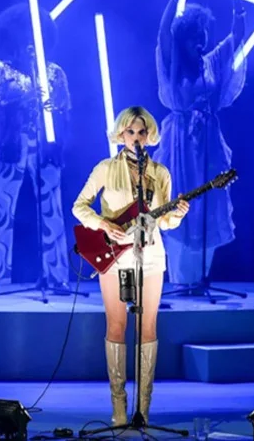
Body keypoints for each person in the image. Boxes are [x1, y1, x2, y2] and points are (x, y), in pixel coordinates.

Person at [72, 106, 189, 425]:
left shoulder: (160, 173)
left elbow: (164, 223)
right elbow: (79, 206)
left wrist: (177, 213)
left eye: (141, 132)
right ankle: (119, 407)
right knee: (116, 325)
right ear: (120, 135)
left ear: (150, 135)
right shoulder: (105, 169)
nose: (136, 138)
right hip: (114, 258)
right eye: (130, 132)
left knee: (148, 327)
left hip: (151, 256)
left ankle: (144, 409)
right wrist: (102, 224)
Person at [153, 0, 246, 289]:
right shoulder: (173, 64)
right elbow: (164, 34)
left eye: (204, 35)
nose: (202, 41)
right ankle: (181, 279)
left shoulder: (211, 64)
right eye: (196, 36)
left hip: (206, 143)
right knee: (180, 202)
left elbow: (236, 40)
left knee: (207, 204)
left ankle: (201, 278)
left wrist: (239, 11)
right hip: (179, 144)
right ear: (185, 39)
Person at [0, 2, 71, 296]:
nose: (29, 43)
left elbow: (66, 114)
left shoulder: (55, 73)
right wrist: (16, 106)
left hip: (46, 146)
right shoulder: (0, 72)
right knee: (2, 210)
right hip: (11, 145)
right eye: (23, 37)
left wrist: (57, 139)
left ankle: (56, 276)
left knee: (52, 209)